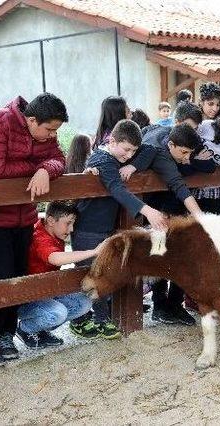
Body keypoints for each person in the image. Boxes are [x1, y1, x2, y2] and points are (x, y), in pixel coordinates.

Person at [0, 92, 67, 366]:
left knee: (20, 275)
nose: (50, 136)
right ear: (32, 120)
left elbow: (60, 158)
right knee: (0, 276)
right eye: (48, 130)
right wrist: (35, 167)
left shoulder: (45, 133)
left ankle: (6, 334)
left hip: (25, 217)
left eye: (55, 131)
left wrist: (46, 169)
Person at [70, 119, 167, 338]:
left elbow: (149, 149)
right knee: (90, 271)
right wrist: (147, 211)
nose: (129, 155)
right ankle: (84, 319)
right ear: (112, 141)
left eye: (133, 151)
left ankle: (100, 318)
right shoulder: (102, 160)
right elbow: (116, 188)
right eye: (126, 150)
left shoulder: (115, 158)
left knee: (103, 270)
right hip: (88, 228)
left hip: (104, 228)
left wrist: (132, 164)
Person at [126, 123, 204, 325]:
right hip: (152, 210)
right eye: (184, 153)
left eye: (190, 154)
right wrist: (201, 218)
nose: (187, 159)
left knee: (179, 253)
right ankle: (160, 306)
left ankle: (173, 305)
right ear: (171, 144)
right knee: (159, 252)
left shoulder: (166, 136)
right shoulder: (160, 153)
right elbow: (179, 185)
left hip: (169, 207)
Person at [17, 201, 100, 348]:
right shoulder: (39, 236)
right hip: (28, 298)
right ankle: (25, 329)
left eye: (73, 223)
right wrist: (93, 252)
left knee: (84, 303)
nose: (72, 229)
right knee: (58, 313)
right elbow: (55, 258)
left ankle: (40, 329)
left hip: (46, 292)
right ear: (50, 220)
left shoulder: (53, 232)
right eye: (68, 223)